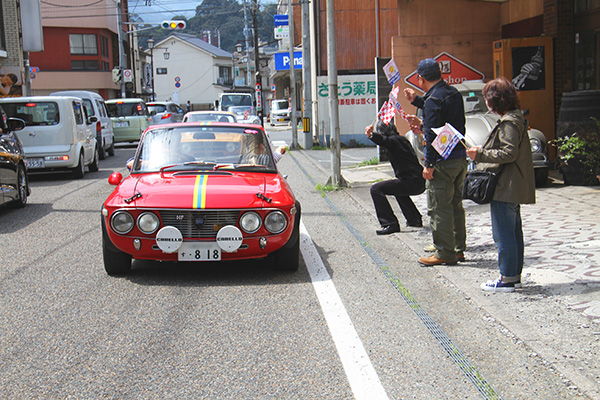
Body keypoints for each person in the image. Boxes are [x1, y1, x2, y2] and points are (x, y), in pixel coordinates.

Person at [466, 77, 535, 292]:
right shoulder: (516, 118)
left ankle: (507, 278)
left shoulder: (509, 122)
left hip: (505, 186)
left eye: (487, 98)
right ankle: (513, 276)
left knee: (504, 235)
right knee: (513, 233)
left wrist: (480, 154)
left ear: (496, 100)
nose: (486, 102)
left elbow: (508, 153)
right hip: (513, 185)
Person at [403, 58, 468, 266]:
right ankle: (457, 248)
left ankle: (444, 252)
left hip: (441, 161)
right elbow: (440, 115)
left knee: (440, 207)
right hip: (459, 157)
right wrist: (416, 101)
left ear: (420, 79)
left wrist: (428, 165)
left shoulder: (432, 100)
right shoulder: (453, 93)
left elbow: (431, 135)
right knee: (456, 205)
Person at [364, 119, 425, 235]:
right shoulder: (402, 139)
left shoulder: (393, 141)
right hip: (418, 180)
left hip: (411, 182)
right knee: (397, 188)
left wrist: (371, 135)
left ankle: (390, 223)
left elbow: (384, 141)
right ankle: (414, 219)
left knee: (376, 189)